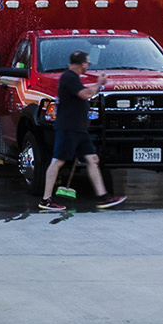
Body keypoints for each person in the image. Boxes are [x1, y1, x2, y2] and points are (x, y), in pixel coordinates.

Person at [40, 49, 124, 210]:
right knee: (57, 161)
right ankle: (46, 199)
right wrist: (99, 84)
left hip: (79, 130)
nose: (88, 66)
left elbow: (85, 91)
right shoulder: (68, 77)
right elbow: (85, 94)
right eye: (87, 63)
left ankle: (103, 196)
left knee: (93, 159)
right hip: (68, 129)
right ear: (83, 64)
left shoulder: (74, 79)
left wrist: (96, 87)